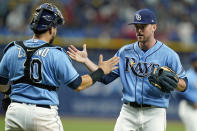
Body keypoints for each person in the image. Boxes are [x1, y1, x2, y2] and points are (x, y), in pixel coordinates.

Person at [0, 3, 119, 131]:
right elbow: (78, 85)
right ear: (51, 29)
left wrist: (7, 95)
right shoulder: (57, 54)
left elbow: (2, 82)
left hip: (15, 112)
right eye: (55, 26)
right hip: (43, 115)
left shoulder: (12, 49)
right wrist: (101, 71)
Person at [67, 8, 187, 131]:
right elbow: (105, 77)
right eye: (137, 27)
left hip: (155, 112)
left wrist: (174, 82)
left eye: (143, 26)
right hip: (128, 111)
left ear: (154, 27)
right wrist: (86, 61)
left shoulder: (168, 54)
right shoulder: (125, 52)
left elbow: (184, 85)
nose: (139, 30)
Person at [178, 53, 197, 131]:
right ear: (193, 63)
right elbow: (179, 93)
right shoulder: (187, 76)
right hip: (188, 107)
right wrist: (192, 103)